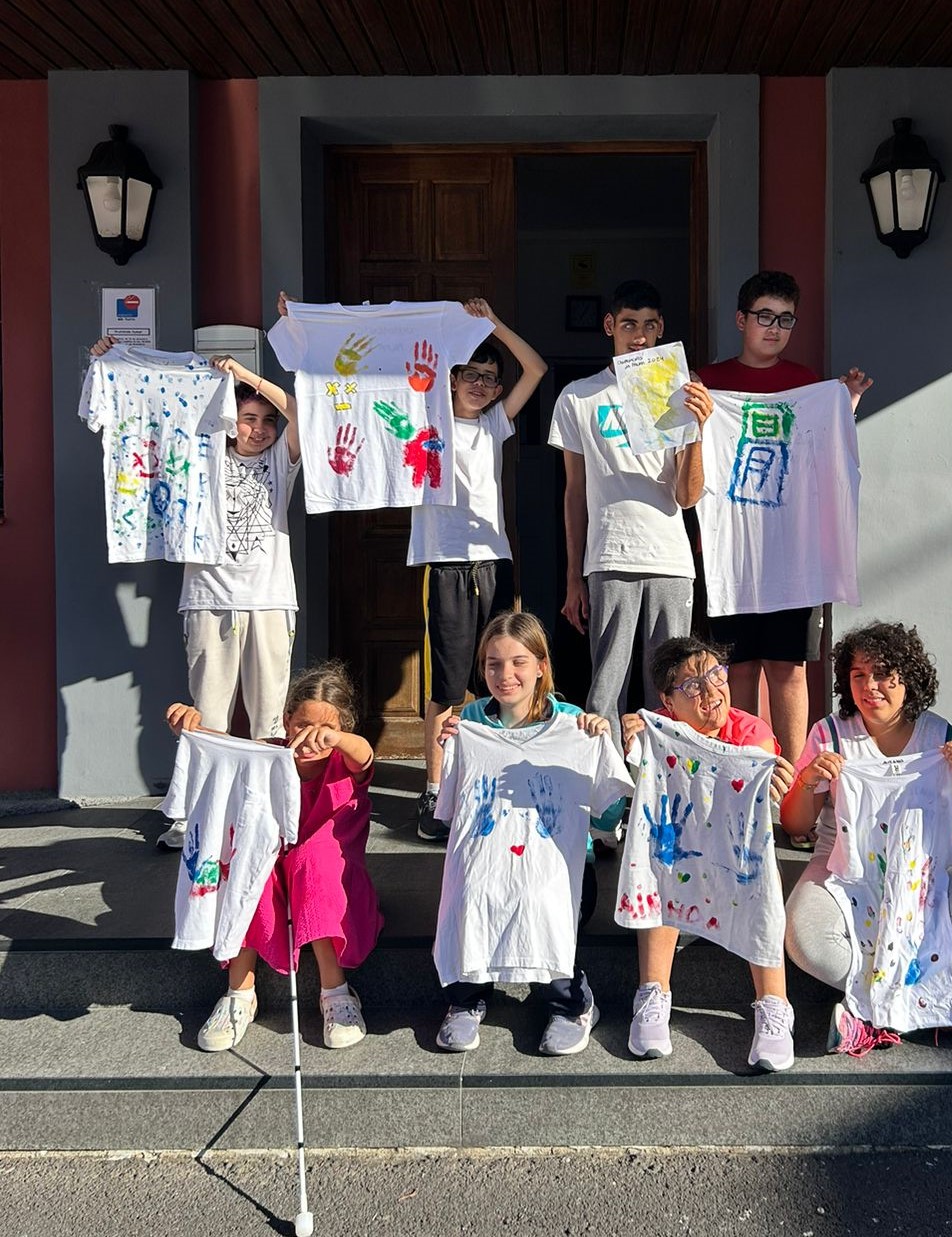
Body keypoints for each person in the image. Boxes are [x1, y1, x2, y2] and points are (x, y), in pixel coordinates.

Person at [92, 298, 303, 851]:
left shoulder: (281, 458)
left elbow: (302, 411)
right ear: (230, 418)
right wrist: (111, 363)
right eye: (248, 418)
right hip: (208, 598)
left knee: (267, 720)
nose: (257, 430)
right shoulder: (199, 450)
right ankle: (193, 817)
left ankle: (271, 820)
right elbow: (136, 426)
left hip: (269, 599)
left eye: (264, 422)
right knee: (207, 715)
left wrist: (244, 373)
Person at [782, 621, 952, 1056]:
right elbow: (795, 826)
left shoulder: (944, 739)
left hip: (936, 872)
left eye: (883, 674)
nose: (870, 686)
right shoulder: (832, 734)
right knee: (804, 942)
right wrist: (806, 781)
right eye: (858, 675)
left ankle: (873, 1015)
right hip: (846, 871)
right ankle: (950, 1007)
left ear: (908, 678)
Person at [432, 612, 631, 1056]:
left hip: (560, 870)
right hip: (488, 860)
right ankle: (465, 1000)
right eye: (493, 664)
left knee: (540, 898)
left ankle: (571, 1003)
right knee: (471, 889)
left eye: (519, 662)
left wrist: (604, 745)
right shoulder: (468, 724)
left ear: (542, 664)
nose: (506, 675)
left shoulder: (575, 725)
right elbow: (449, 812)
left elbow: (608, 815)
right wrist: (449, 745)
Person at [695, 270, 871, 766]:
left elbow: (823, 455)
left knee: (789, 668)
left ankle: (794, 786)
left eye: (786, 319)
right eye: (764, 316)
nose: (774, 328)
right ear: (740, 319)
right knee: (738, 670)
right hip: (728, 554)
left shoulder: (807, 384)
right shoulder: (709, 382)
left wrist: (844, 406)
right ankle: (745, 774)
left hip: (791, 557)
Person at [167, 660, 383, 1052]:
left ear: (342, 730)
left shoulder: (344, 761)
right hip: (275, 863)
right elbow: (226, 746)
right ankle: (239, 992)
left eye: (327, 729)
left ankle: (335, 991)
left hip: (329, 868)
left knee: (313, 861)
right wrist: (192, 727)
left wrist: (336, 741)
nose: (312, 737)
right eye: (303, 725)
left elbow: (364, 754)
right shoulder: (270, 753)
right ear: (286, 721)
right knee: (251, 868)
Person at [620, 635, 799, 1071]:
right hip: (681, 859)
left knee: (762, 884)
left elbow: (754, 776)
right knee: (662, 861)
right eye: (692, 685)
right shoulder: (656, 731)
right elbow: (629, 770)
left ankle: (775, 1004)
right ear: (667, 700)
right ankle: (653, 992)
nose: (711, 691)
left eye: (716, 675)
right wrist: (629, 741)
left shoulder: (752, 731)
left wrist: (776, 781)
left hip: (735, 863)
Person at [549, 279, 714, 749]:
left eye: (647, 325)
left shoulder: (680, 391)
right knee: (606, 684)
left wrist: (696, 431)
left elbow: (687, 496)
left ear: (660, 328)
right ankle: (604, 790)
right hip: (610, 554)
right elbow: (574, 492)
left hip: (669, 559)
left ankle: (662, 786)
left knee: (672, 684)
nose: (638, 335)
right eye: (627, 324)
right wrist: (573, 578)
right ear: (610, 326)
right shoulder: (578, 397)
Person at [409, 298, 548, 842]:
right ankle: (434, 787)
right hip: (443, 561)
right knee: (446, 684)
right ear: (451, 377)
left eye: (490, 378)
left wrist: (493, 324)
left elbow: (534, 368)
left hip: (493, 560)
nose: (482, 386)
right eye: (471, 375)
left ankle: (486, 776)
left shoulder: (495, 422)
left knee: (498, 672)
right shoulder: (424, 413)